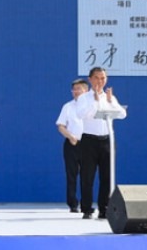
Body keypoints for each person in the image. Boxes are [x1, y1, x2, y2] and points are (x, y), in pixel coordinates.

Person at [75, 66, 126, 219]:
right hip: (89, 140)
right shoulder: (84, 98)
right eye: (97, 78)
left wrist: (110, 102)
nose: (100, 81)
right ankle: (87, 208)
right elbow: (81, 114)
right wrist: (95, 102)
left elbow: (122, 114)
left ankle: (104, 208)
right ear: (90, 79)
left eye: (103, 78)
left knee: (107, 177)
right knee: (87, 176)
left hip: (107, 140)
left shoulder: (110, 97)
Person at [56, 79, 89, 213]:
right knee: (71, 175)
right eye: (74, 89)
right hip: (72, 143)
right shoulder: (68, 107)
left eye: (78, 89)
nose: (76, 92)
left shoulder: (91, 105)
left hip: (89, 144)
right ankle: (73, 204)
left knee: (87, 176)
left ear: (86, 90)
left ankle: (86, 204)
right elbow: (61, 126)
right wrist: (70, 136)